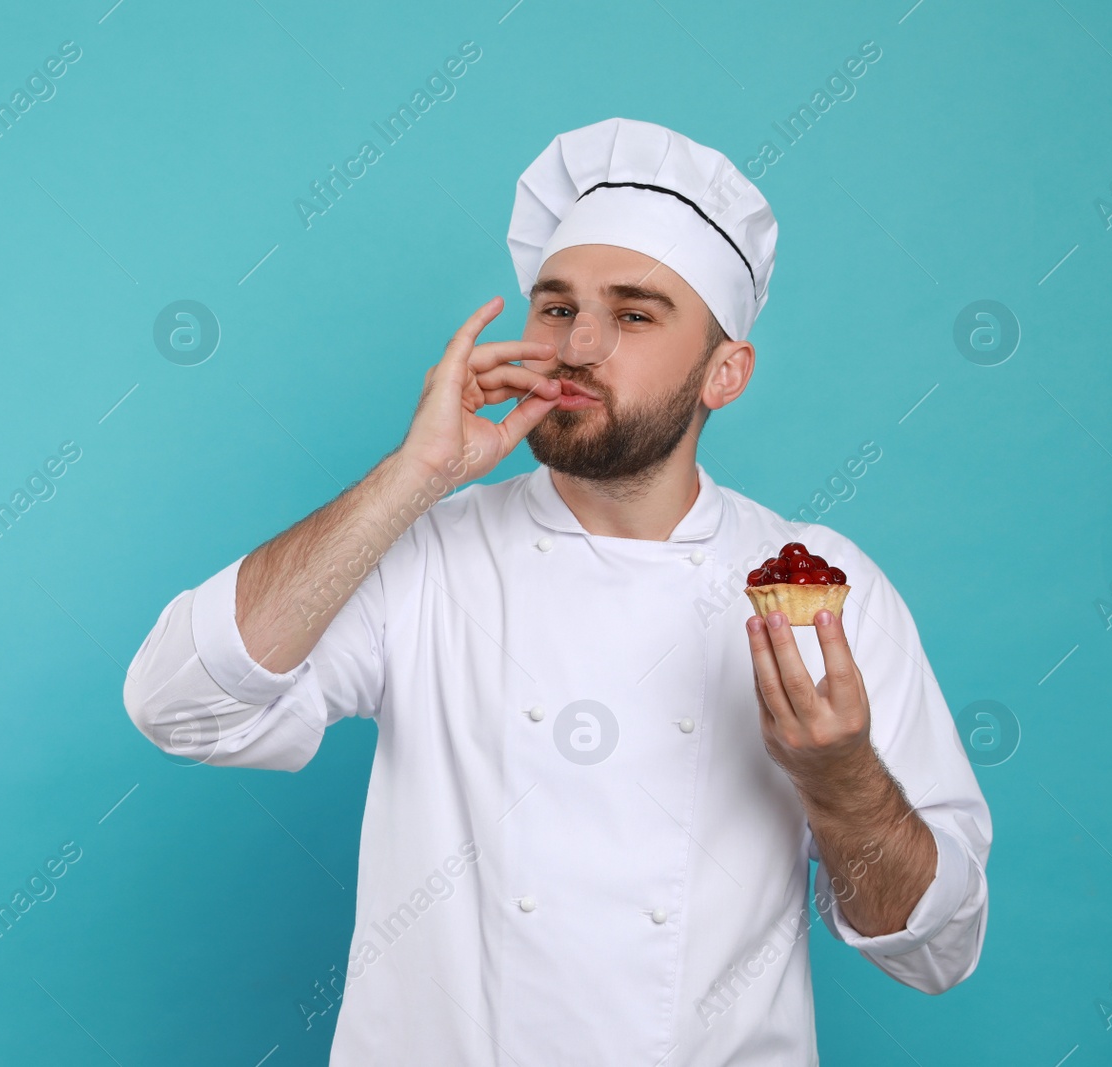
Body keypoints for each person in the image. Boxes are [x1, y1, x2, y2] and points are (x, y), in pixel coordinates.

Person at [122, 117, 991, 1065]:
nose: (578, 345)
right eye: (556, 306)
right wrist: (413, 475)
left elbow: (936, 947)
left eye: (635, 314)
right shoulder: (427, 554)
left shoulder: (821, 588)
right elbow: (179, 707)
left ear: (726, 373)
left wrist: (841, 777)